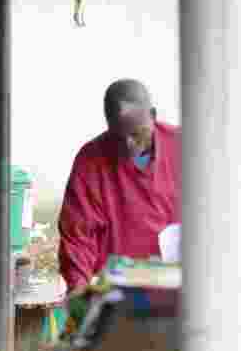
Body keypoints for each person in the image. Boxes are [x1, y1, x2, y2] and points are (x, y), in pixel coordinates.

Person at [57, 79, 180, 295]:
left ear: (152, 115)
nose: (128, 145)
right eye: (118, 136)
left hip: (177, 285)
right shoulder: (90, 160)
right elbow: (77, 236)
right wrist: (78, 291)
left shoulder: (184, 147)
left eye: (136, 133)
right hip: (119, 291)